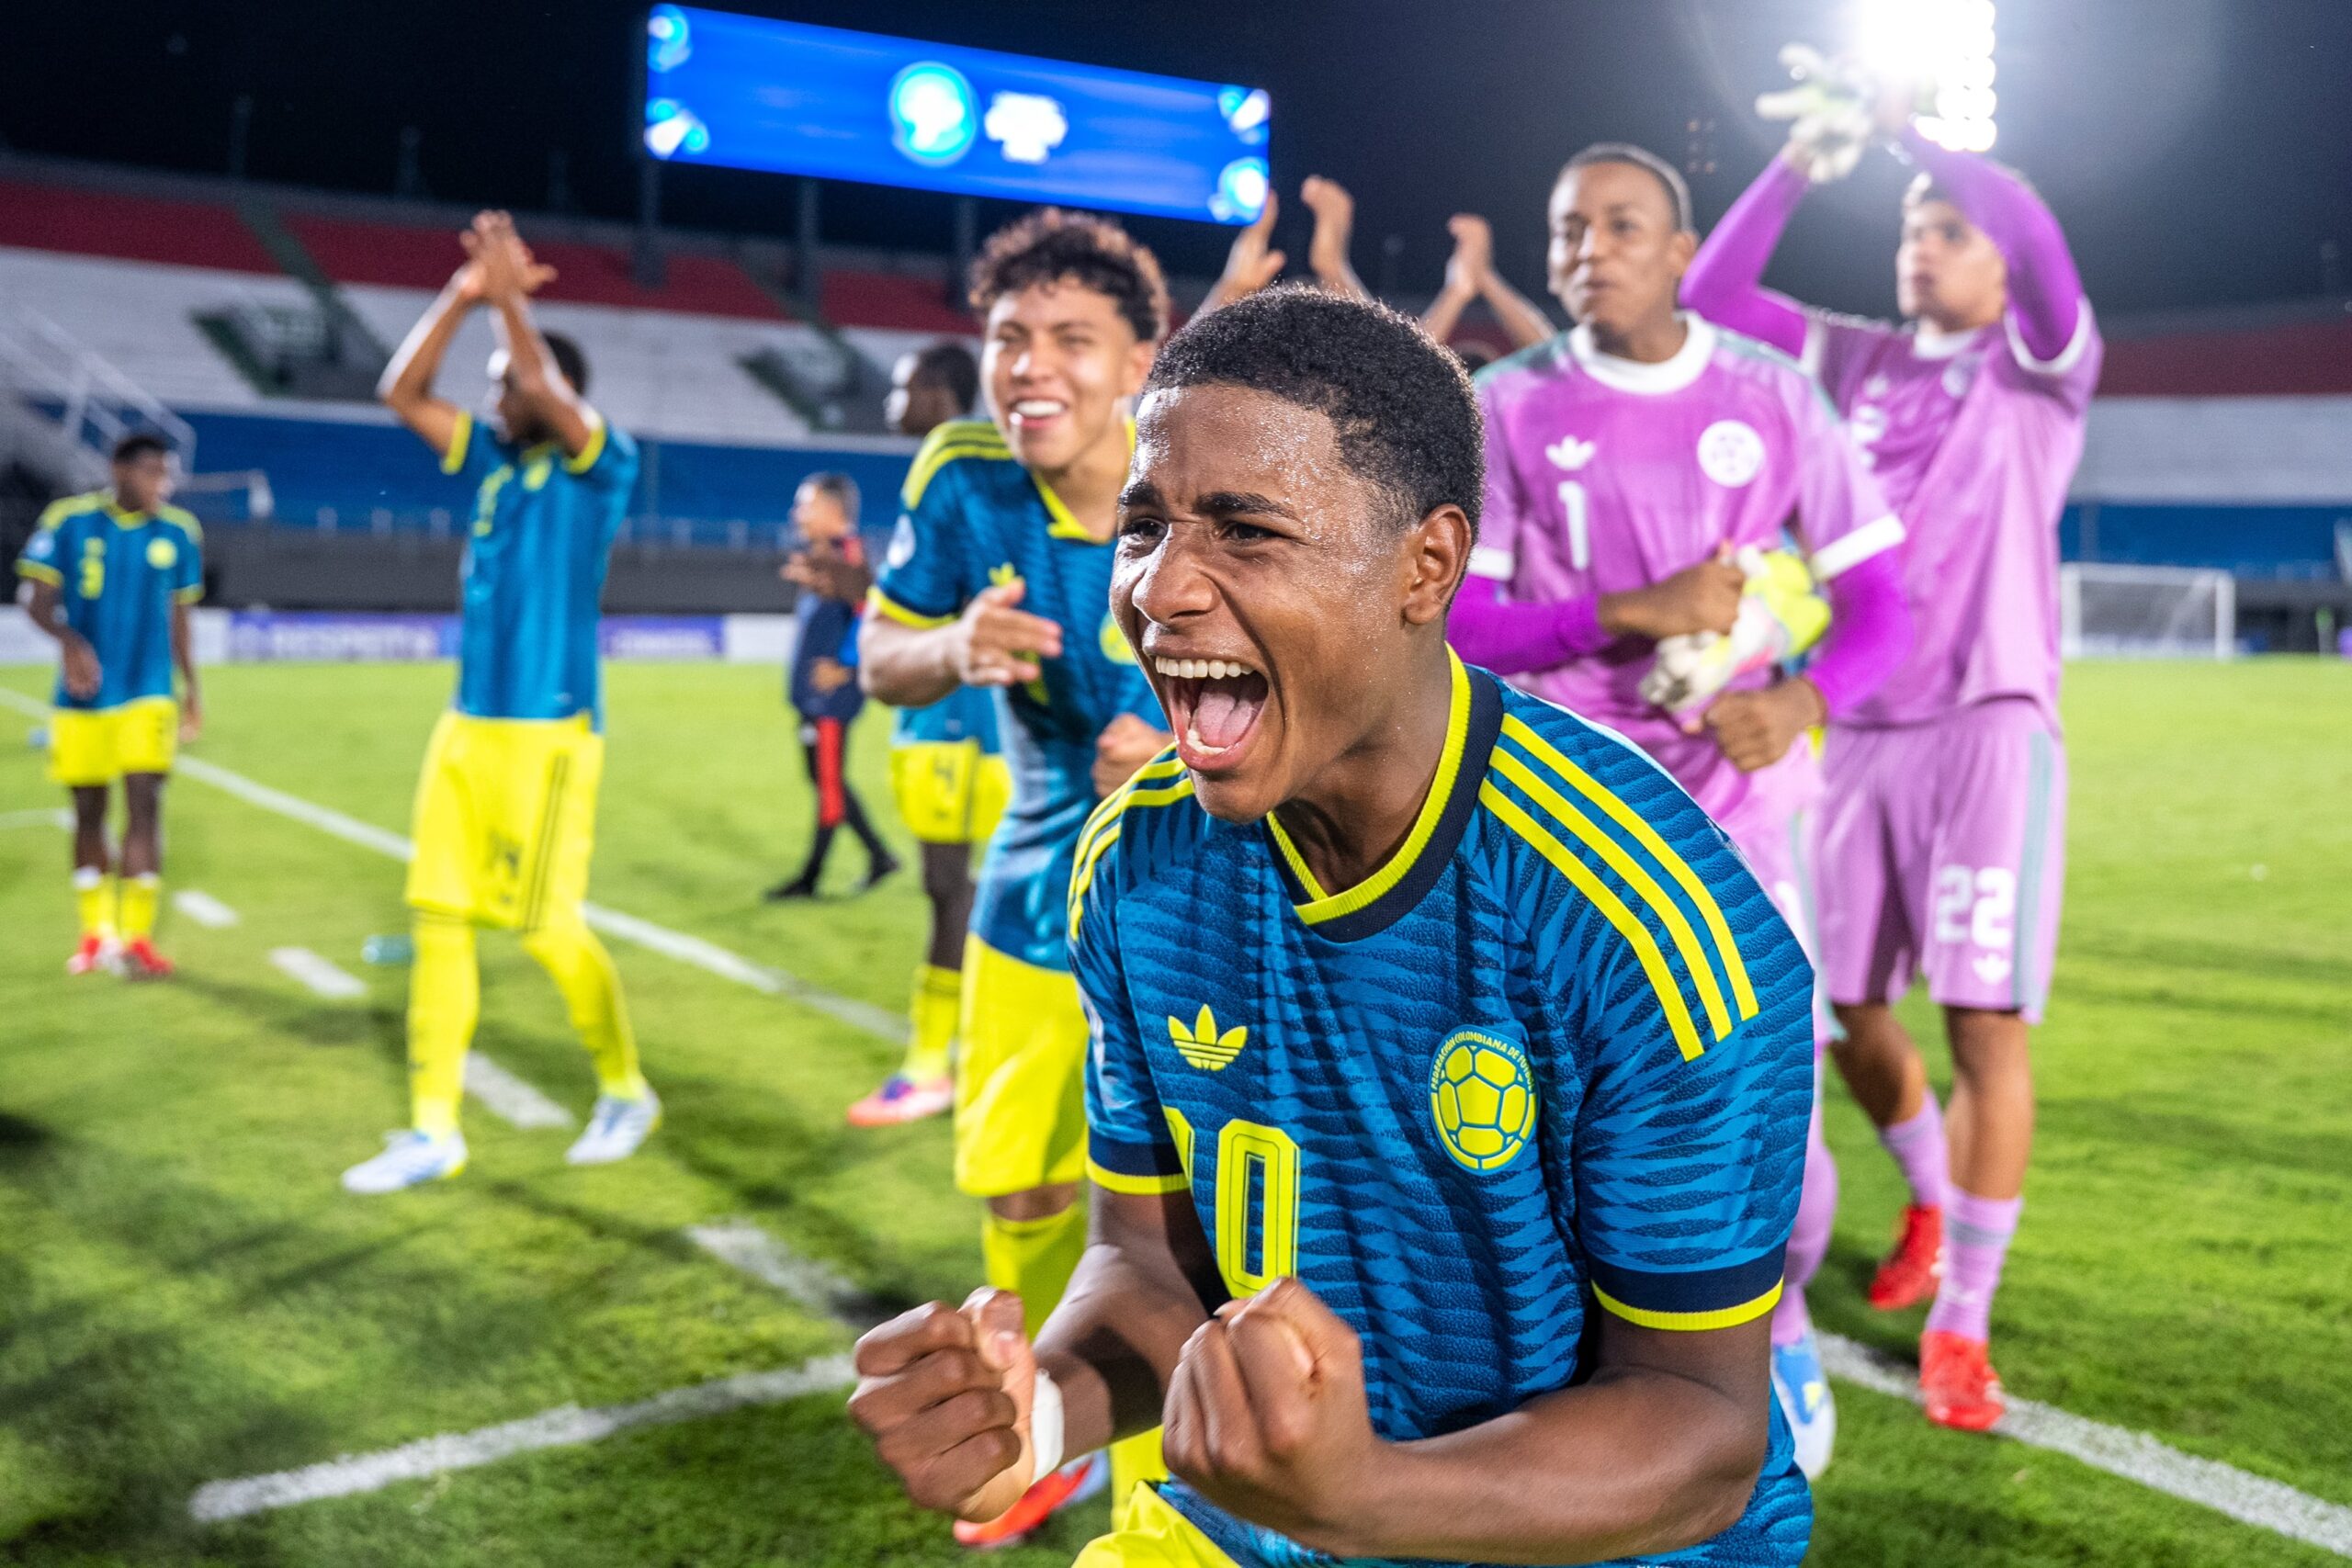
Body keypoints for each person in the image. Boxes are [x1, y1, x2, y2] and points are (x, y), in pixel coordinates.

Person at [848, 285, 1817, 1568]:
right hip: (1247, 1535)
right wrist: (1036, 1406)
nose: (1163, 587)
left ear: (1428, 566)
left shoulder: (1644, 923)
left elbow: (1699, 1431)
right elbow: (1146, 1260)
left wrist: (1366, 1496)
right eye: (1145, 526)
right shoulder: (1132, 865)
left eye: (1245, 532)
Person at [1448, 142, 1913, 1477]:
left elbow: (1879, 600)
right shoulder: (1505, 402)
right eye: (1568, 225)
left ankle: (1771, 1315)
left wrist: (1807, 702)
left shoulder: (1775, 396)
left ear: (1679, 249)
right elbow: (1465, 617)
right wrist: (1625, 613)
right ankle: (1609, 1349)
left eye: (1622, 223)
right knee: (1568, 1099)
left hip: (1749, 794)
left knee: (1776, 1116)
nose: (1590, 244)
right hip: (1568, 805)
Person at [1683, 72, 2102, 1431]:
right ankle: (1930, 1188)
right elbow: (1714, 298)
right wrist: (1807, 158)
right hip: (1844, 723)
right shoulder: (1849, 361)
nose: (1924, 243)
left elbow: (2034, 237)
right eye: (1911, 227)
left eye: (1947, 229)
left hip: (1989, 721)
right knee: (1847, 1009)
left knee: (1985, 1021)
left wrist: (1927, 135)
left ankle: (1964, 1327)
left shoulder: (2041, 359)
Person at [858, 208, 1173, 1547]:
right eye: (1008, 339)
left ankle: (1172, 1481)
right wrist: (957, 645)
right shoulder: (962, 476)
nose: (1030, 367)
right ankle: (1040, 1421)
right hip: (1035, 891)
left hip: (1189, 911)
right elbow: (882, 656)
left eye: (1071, 340)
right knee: (1022, 1188)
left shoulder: (1209, 467)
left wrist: (1183, 748)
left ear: (1144, 359)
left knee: (1189, 1220)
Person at [341, 210, 658, 1194]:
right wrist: (466, 296)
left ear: (539, 390)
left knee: (544, 926)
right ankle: (433, 1129)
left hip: (546, 732)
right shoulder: (489, 463)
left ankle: (624, 1088)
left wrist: (513, 309)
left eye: (503, 386)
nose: (489, 398)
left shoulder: (599, 466)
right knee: (438, 917)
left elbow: (548, 394)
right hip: (466, 728)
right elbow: (399, 389)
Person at [851, 342, 1014, 1129]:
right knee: (948, 889)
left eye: (905, 383)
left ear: (943, 390)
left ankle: (937, 1059)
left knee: (976, 893)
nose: (893, 396)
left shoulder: (988, 478)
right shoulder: (936, 478)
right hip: (931, 720)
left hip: (981, 724)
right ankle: (942, 1057)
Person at [16, 433, 204, 980]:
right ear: (119, 470)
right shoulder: (69, 520)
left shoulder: (178, 531)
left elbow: (181, 618)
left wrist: (192, 689)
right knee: (89, 813)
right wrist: (71, 643)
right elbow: (36, 599)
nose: (161, 484)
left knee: (145, 806)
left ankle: (138, 939)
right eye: (152, 472)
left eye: (166, 474)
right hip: (82, 698)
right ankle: (96, 934)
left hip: (149, 693)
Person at [767, 472, 899, 901]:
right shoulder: (826, 557)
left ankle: (809, 879)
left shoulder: (851, 556)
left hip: (831, 699)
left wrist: (847, 665)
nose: (797, 514)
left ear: (831, 510)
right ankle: (880, 856)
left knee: (828, 783)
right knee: (826, 779)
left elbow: (871, 614)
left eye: (804, 505)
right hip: (814, 696)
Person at [1419, 212, 1558, 354]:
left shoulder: (1496, 376)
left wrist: (1458, 291)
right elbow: (1552, 357)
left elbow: (1553, 358)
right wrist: (1483, 279)